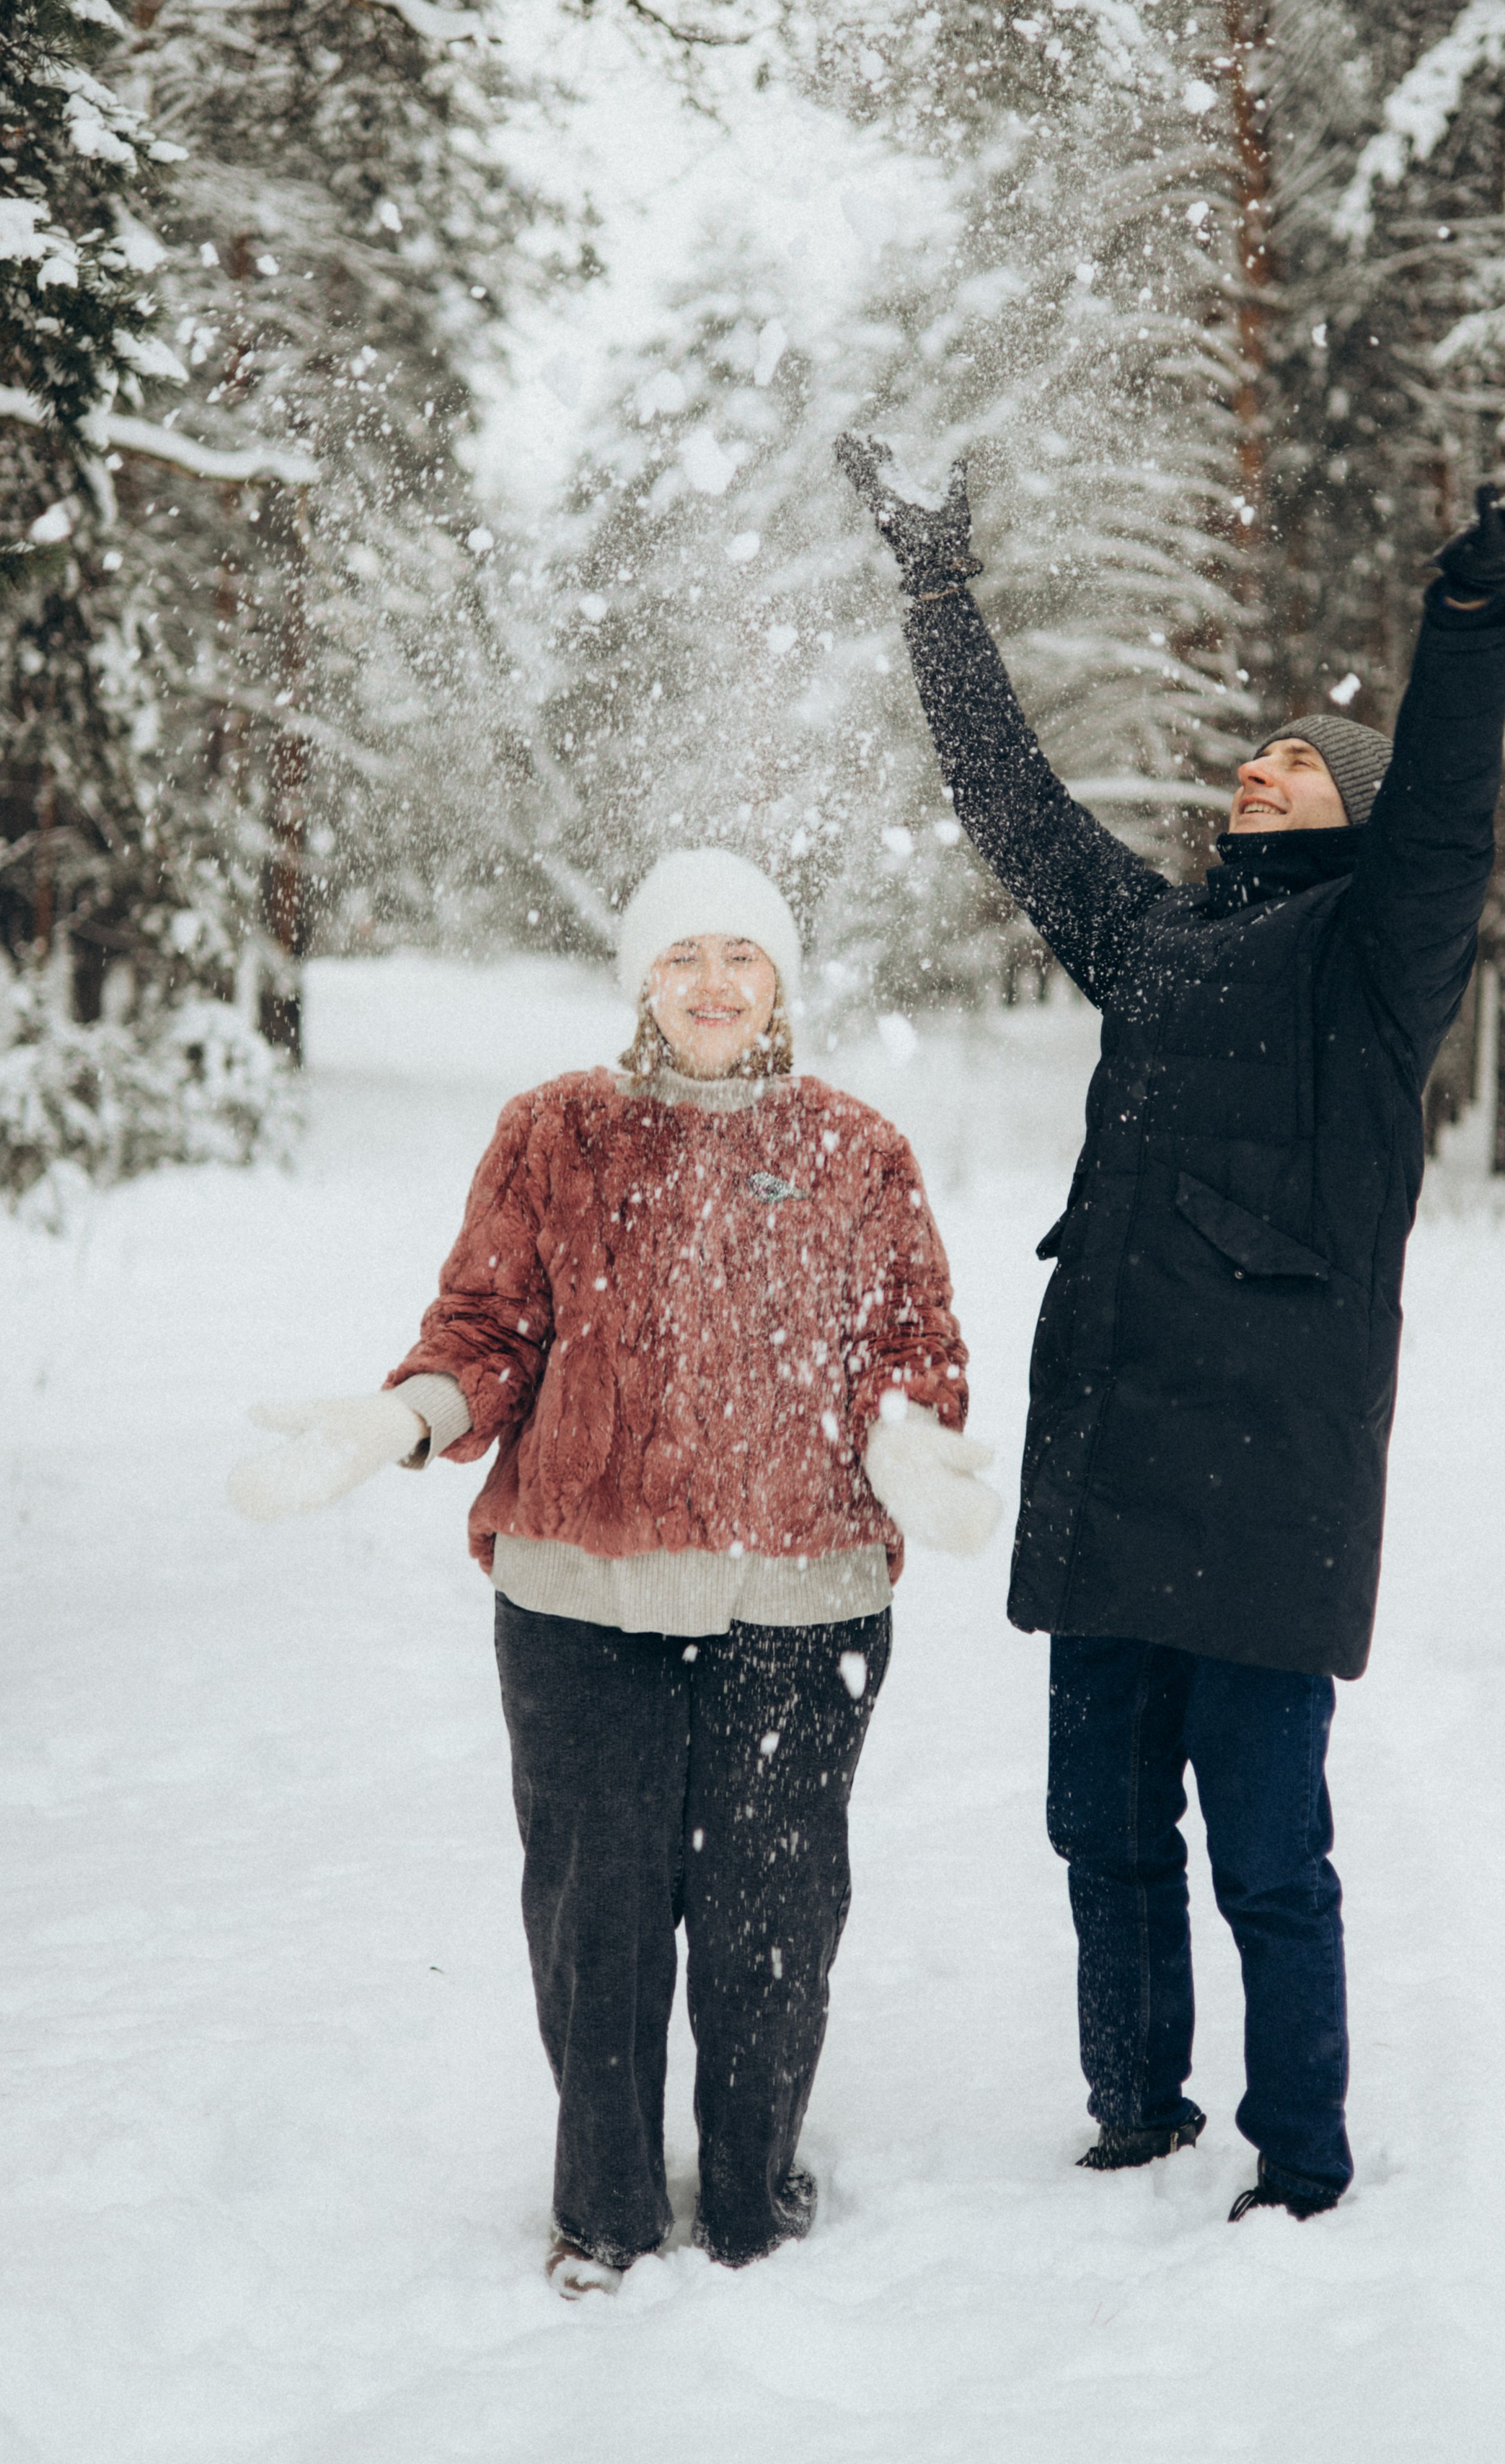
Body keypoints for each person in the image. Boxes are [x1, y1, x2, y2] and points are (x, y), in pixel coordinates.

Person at [838, 436, 1505, 2222]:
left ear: (1346, 808)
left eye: (1296, 761)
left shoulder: (1372, 966)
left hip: (1266, 1483)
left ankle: (1304, 2158)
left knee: (1266, 1853)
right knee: (1098, 1832)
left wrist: (1468, 603)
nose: (1256, 765)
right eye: (1247, 756)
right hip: (1113, 1460)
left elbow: (1446, 816)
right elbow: (1011, 809)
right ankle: (1132, 2109)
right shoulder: (1157, 938)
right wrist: (938, 589)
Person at [229, 848, 998, 2291]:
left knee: (773, 1921)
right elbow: (488, 1331)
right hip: (581, 1602)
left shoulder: (858, 1150)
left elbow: (914, 1352)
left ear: (780, 981)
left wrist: (905, 1443)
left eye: (743, 956)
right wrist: (404, 1416)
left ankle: (756, 2197)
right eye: (683, 956)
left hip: (799, 1601)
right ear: (641, 978)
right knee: (595, 1919)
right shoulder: (555, 1135)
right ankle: (606, 2216)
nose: (714, 983)